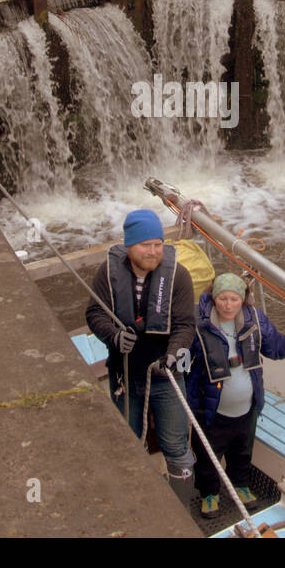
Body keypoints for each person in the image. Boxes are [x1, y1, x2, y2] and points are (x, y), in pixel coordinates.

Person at [185, 272, 285, 517]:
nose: (228, 305)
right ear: (214, 298)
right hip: (212, 411)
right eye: (223, 299)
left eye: (234, 299)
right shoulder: (198, 325)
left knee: (242, 451)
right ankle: (209, 493)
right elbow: (183, 359)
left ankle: (240, 485)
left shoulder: (256, 320)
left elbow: (276, 349)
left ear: (243, 300)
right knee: (207, 455)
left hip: (247, 408)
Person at [85, 209, 198, 488]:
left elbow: (185, 325)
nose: (153, 251)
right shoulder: (107, 273)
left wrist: (173, 356)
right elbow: (94, 314)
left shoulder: (178, 277)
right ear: (129, 246)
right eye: (145, 245)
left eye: (158, 244)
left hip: (166, 375)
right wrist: (112, 336)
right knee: (128, 442)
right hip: (124, 374)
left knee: (176, 445)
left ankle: (181, 508)